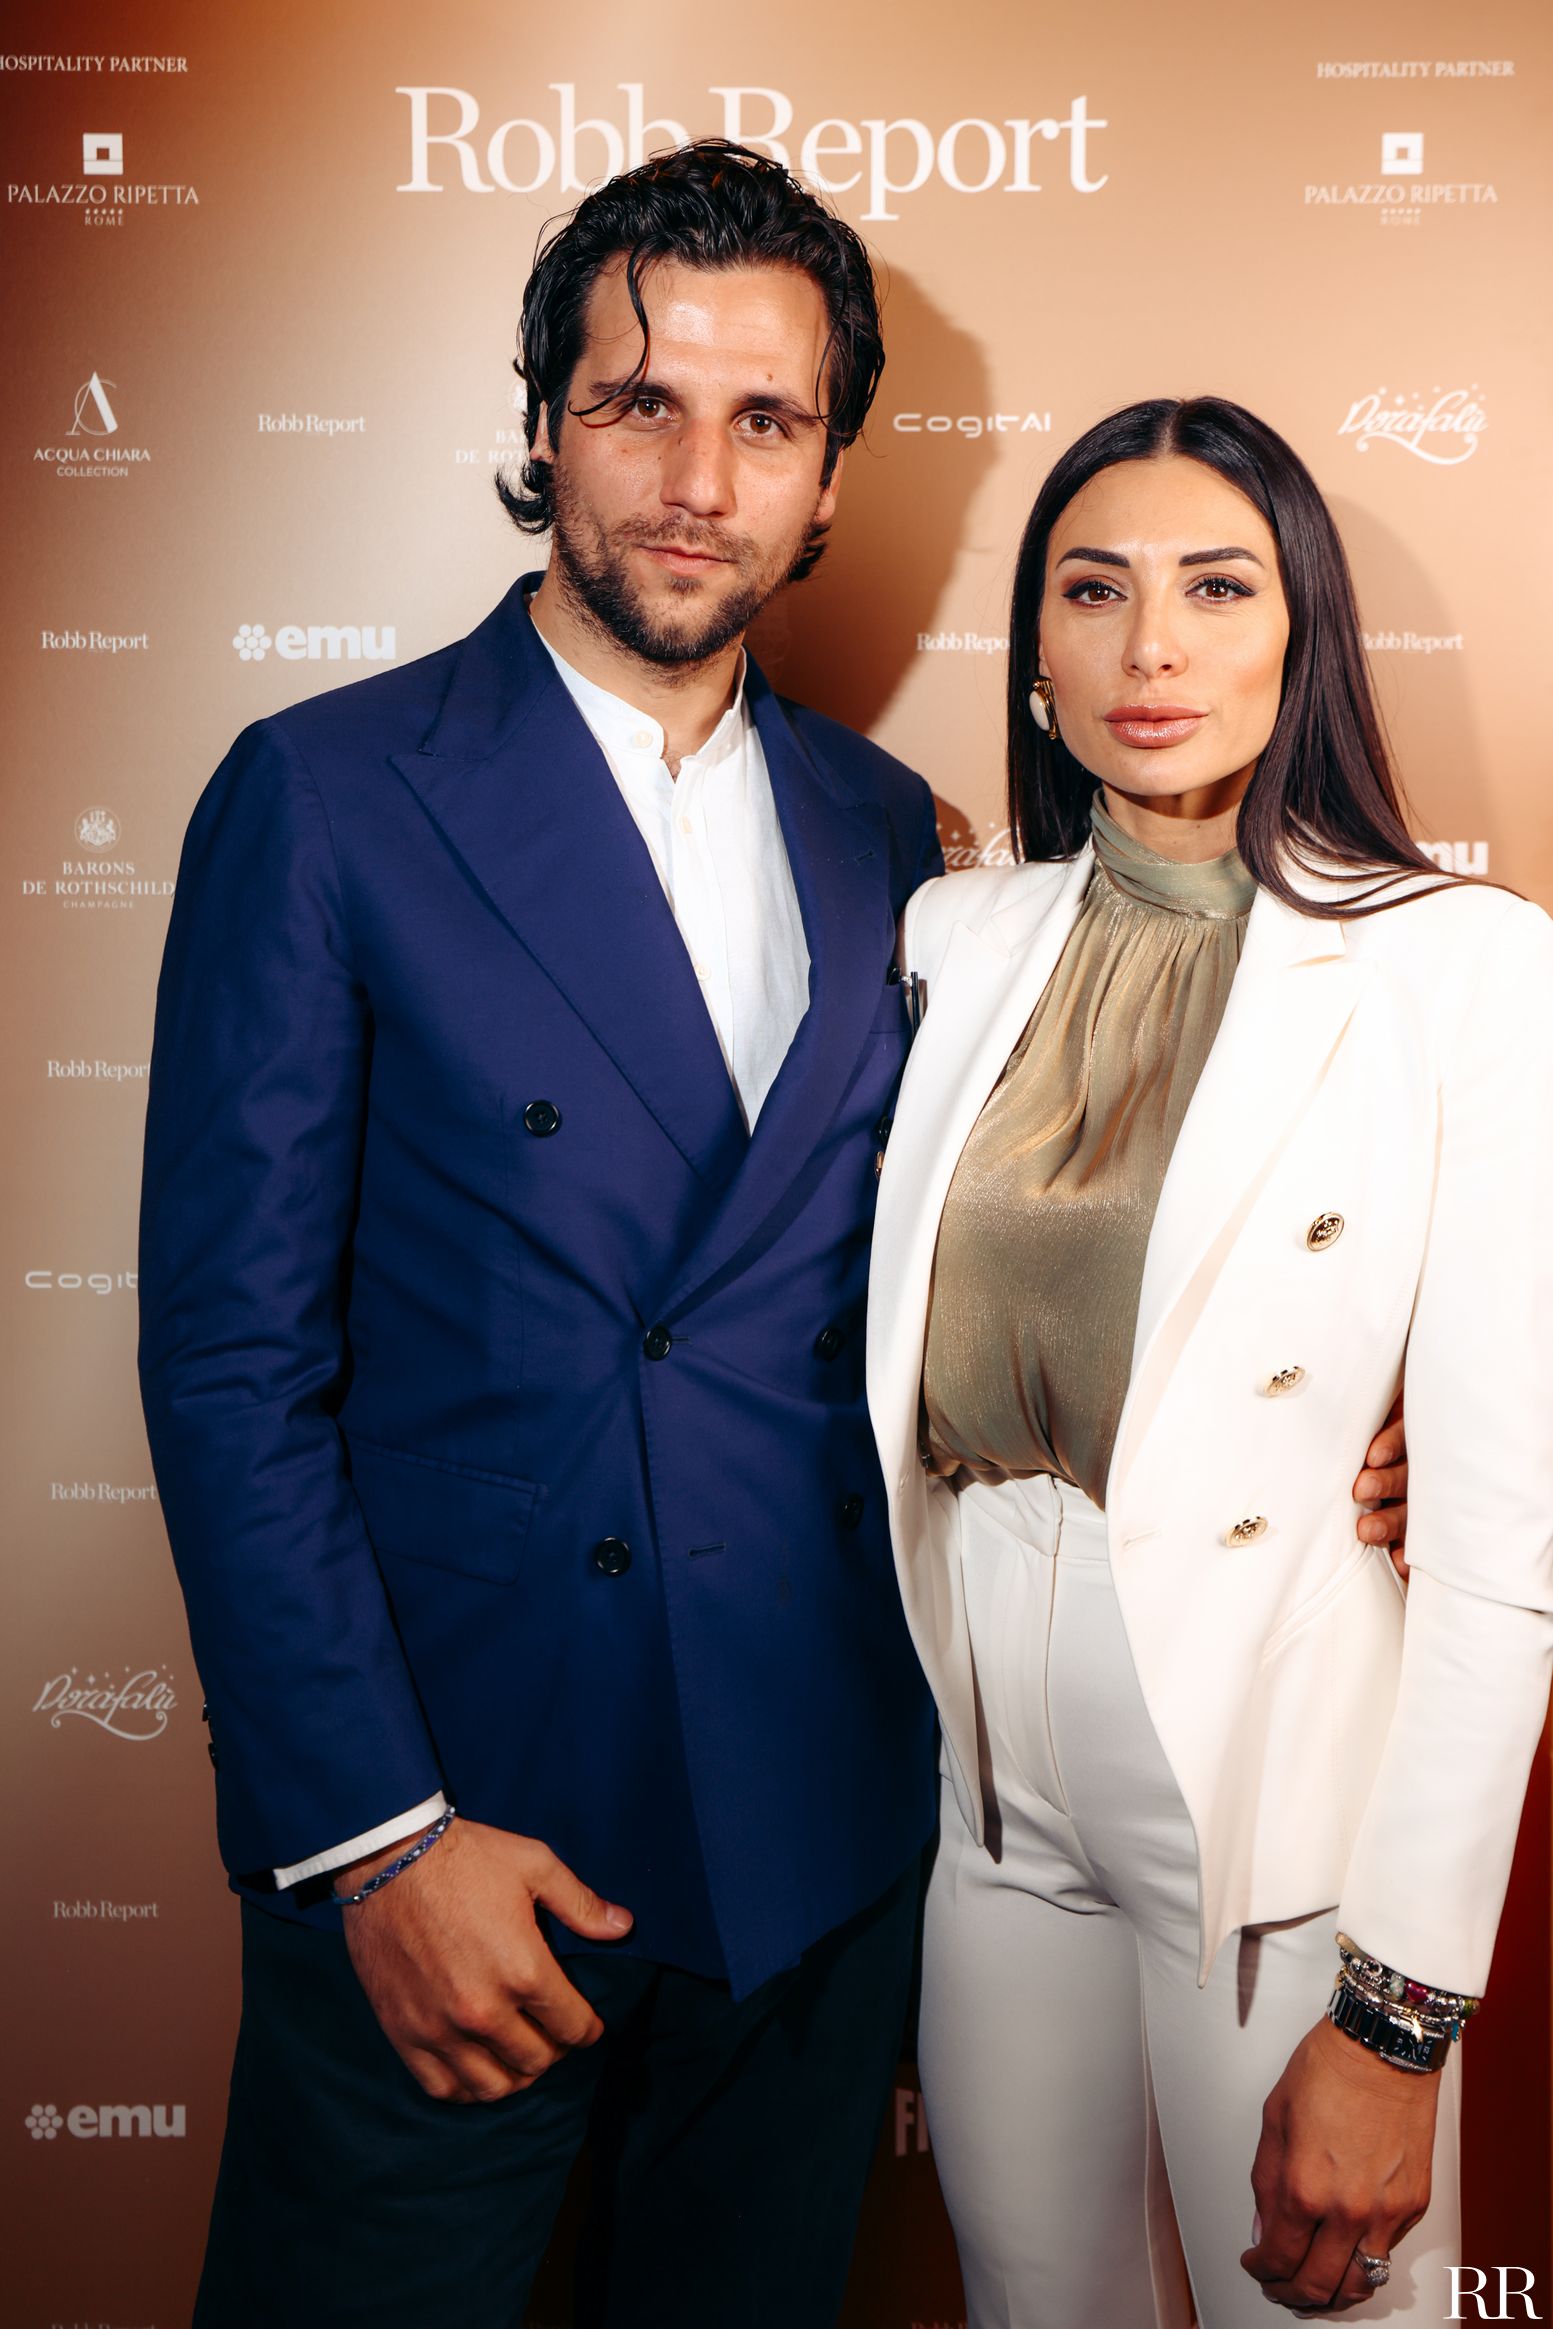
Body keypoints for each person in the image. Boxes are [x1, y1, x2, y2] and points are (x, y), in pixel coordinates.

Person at [140, 149, 1408, 2320]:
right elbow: (230, 1366)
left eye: (767, 421)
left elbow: (1015, 1260)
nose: (698, 480)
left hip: (817, 1841)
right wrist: (372, 1840)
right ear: (545, 425)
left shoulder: (894, 835)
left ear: (830, 474)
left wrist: (1338, 1430)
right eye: (640, 404)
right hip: (465, 1838)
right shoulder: (327, 794)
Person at [866, 395, 1553, 2326]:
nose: (1150, 647)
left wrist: (1398, 2014)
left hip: (1280, 1824)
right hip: (992, 1816)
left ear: (1300, 628)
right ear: (1035, 647)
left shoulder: (1462, 969)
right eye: (1094, 591)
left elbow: (1498, 1550)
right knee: (1028, 2304)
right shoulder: (951, 935)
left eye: (1216, 587)